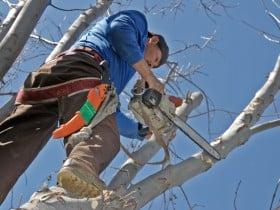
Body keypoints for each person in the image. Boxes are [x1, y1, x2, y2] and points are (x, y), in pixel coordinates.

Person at [0, 9, 169, 202]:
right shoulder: (139, 25)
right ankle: (80, 166)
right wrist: (149, 77)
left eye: (153, 67)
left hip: (55, 78)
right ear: (153, 40)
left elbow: (110, 112)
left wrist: (141, 131)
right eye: (155, 59)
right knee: (105, 139)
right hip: (84, 68)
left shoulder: (125, 68)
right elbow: (119, 30)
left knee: (17, 147)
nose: (151, 65)